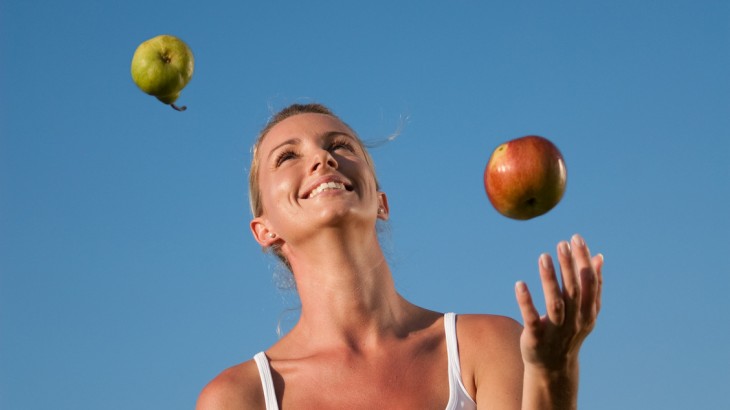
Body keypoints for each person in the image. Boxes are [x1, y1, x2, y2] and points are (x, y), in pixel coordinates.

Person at [196, 103, 604, 409]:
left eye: (339, 146)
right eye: (288, 156)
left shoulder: (485, 346)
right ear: (263, 230)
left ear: (381, 202)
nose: (323, 159)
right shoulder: (238, 397)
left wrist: (555, 373)